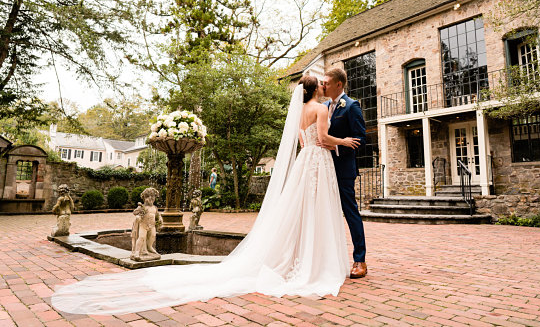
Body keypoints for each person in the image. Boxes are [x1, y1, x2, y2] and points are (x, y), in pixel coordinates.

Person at [51, 77, 361, 315]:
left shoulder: (300, 113)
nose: (323, 87)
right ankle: (312, 261)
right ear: (315, 90)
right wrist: (342, 142)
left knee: (299, 211)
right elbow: (320, 138)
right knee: (316, 211)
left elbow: (303, 140)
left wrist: (316, 146)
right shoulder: (321, 108)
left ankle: (299, 257)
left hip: (305, 162)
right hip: (319, 161)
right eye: (320, 84)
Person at [320, 68, 368, 278]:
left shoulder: (351, 106)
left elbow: (361, 139)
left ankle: (360, 260)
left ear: (338, 84)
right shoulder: (322, 107)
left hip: (343, 170)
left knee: (350, 213)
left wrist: (337, 147)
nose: (323, 86)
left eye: (327, 83)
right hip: (322, 168)